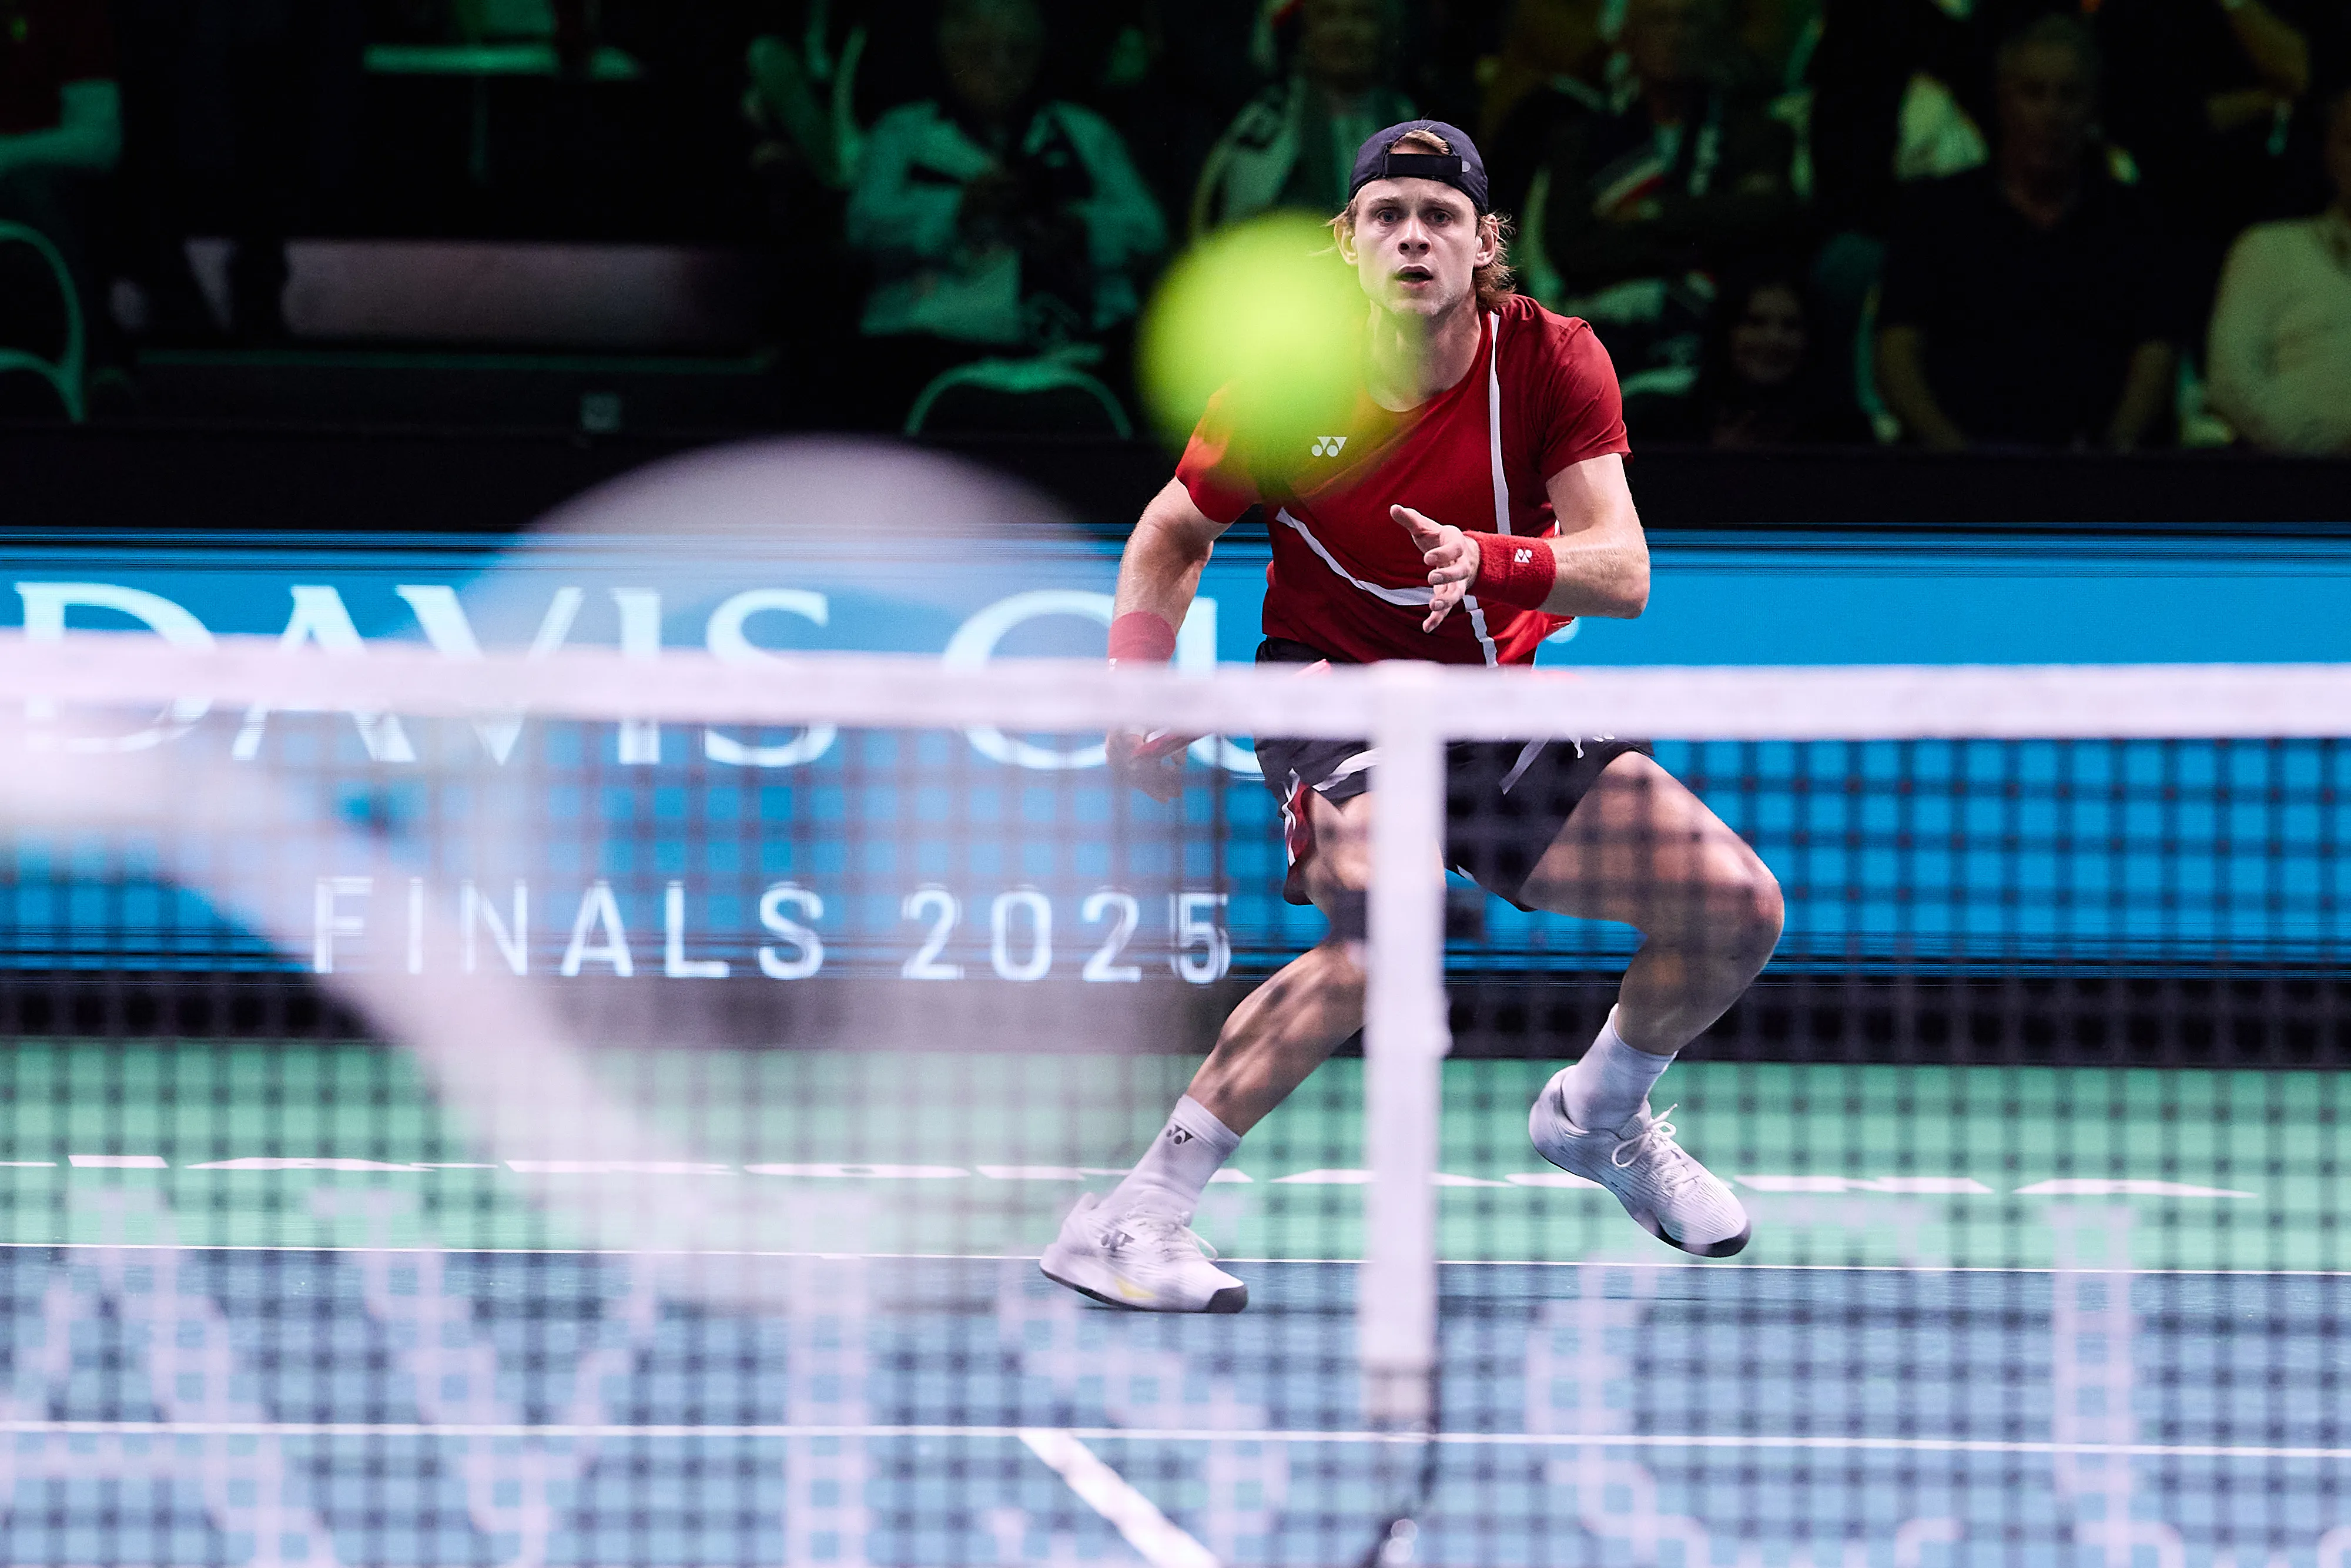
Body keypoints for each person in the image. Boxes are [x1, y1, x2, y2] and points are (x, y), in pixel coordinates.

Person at [1039, 120, 1785, 1314]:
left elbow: (1621, 566)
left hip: (1493, 699)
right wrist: (1138, 675)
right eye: (1385, 214)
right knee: (1379, 934)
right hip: (1335, 686)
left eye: (1438, 217)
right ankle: (1133, 1213)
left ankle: (1596, 1117)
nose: (1411, 235)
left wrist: (1491, 562)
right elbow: (1174, 528)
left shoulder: (1551, 361)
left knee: (1734, 907)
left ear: (1480, 244)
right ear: (1349, 246)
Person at [842, 0, 1167, 427]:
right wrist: (959, 210)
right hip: (926, 351)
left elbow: (1151, 233)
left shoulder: (1085, 134)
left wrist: (1079, 229)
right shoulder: (903, 134)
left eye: (1018, 51)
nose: (1000, 66)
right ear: (948, 52)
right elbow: (862, 230)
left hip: (1073, 354)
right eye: (981, 51)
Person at [1875, 14, 2178, 451]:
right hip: (1959, 469)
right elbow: (1897, 349)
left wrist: (2115, 453)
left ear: (2093, 106)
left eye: (2069, 95)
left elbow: (2157, 348)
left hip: (2093, 470)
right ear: (2002, 101)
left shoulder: (2136, 220)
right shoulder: (1936, 214)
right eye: (2034, 93)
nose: (2051, 112)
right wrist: (1953, 455)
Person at [1512, 0, 1799, 400]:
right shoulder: (1579, 142)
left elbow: (1766, 223)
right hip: (1610, 333)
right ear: (1628, 37)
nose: (1675, 34)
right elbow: (1574, 250)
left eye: (1690, 20)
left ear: (1717, 36)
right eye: (1660, 19)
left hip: (1720, 340)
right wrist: (1703, 232)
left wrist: (1652, 212)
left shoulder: (1758, 133)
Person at [2205, 81, 2351, 454]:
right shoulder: (2270, 250)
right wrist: (2321, 449)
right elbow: (2231, 381)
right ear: (2329, 152)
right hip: (2290, 485)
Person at [1188, 0, 1413, 235]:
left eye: (1363, 15)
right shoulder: (1268, 123)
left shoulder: (1404, 116)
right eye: (1328, 15)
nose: (1345, 31)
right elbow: (1235, 231)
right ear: (1305, 32)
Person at [0, 0, 121, 347]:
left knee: (30, 190)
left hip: (40, 187)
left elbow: (102, 140)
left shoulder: (67, 11)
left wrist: (8, 154)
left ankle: (94, 358)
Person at [1649, 265, 1868, 444]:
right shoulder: (1673, 425)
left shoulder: (1843, 432)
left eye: (1791, 326)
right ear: (1725, 332)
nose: (1774, 339)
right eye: (1755, 322)